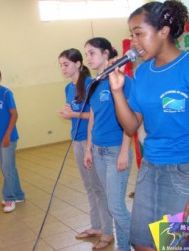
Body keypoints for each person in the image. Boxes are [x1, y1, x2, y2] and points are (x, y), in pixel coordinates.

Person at [108, 0, 189, 251]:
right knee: (142, 244)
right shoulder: (141, 73)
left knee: (181, 247)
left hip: (188, 172)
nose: (134, 43)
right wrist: (117, 92)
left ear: (163, 31)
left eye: (139, 33)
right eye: (131, 35)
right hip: (151, 169)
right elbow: (131, 127)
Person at [58, 48, 113, 241]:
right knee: (89, 186)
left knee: (98, 187)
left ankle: (107, 231)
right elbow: (76, 112)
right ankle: (96, 226)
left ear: (78, 64)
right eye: (60, 65)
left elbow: (95, 115)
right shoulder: (68, 88)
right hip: (77, 140)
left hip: (91, 141)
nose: (62, 68)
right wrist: (68, 113)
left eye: (66, 64)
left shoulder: (91, 84)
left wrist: (73, 114)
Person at [84, 37, 133, 251]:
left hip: (116, 151)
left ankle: (144, 243)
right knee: (114, 206)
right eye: (86, 53)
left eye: (92, 52)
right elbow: (93, 117)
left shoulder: (122, 80)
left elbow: (132, 118)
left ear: (106, 54)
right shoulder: (93, 84)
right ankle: (123, 247)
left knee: (116, 207)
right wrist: (88, 148)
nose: (88, 58)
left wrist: (124, 151)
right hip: (98, 150)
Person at [0, 67, 25, 213]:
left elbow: (14, 114)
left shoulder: (6, 93)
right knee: (8, 168)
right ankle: (19, 194)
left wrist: (7, 135)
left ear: (0, 78)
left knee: (7, 168)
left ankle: (9, 198)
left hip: (9, 138)